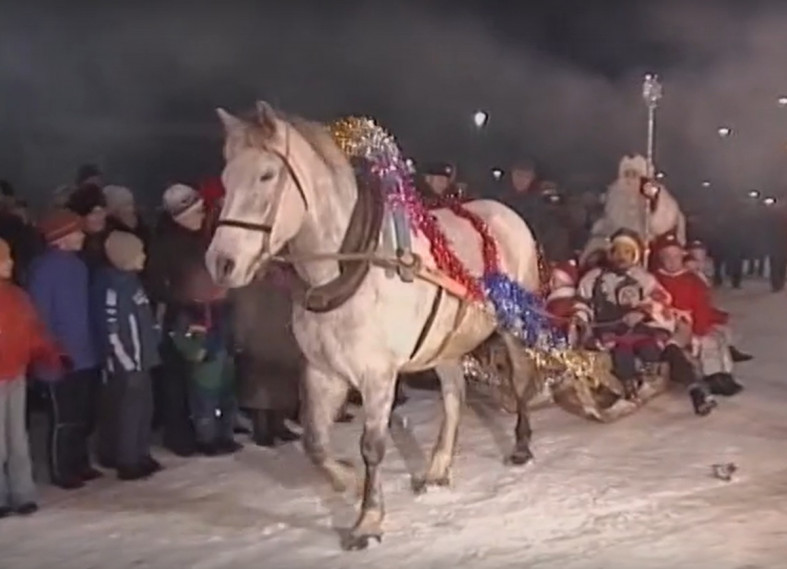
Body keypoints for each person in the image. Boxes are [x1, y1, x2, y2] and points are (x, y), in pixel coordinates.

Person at [573, 228, 715, 415]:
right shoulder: (593, 278)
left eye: (627, 252)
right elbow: (582, 303)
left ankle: (658, 378)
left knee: (652, 345)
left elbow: (660, 298)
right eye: (618, 251)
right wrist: (581, 319)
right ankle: (628, 385)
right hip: (609, 329)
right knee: (620, 349)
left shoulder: (643, 277)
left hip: (640, 327)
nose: (622, 256)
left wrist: (643, 311)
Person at [27, 209, 103, 489]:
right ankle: (62, 468)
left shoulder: (79, 266)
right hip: (60, 359)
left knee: (83, 414)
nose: (82, 236)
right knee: (64, 418)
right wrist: (50, 353)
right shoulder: (45, 270)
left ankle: (79, 462)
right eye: (77, 231)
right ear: (61, 238)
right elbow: (39, 317)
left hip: (85, 354)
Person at [0, 238, 63, 517]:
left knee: (18, 437)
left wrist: (51, 354)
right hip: (7, 373)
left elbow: (33, 331)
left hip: (16, 374)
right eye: (4, 260)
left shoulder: (17, 296)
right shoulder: (15, 297)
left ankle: (22, 492)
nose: (11, 263)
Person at [146, 184, 209, 456]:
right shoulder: (165, 245)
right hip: (178, 319)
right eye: (197, 212)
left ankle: (198, 427)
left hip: (202, 312)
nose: (202, 216)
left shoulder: (200, 239)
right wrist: (185, 297)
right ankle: (177, 433)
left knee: (197, 376)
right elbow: (155, 285)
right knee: (176, 379)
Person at [93, 232, 162, 479]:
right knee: (127, 412)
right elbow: (111, 330)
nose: (144, 257)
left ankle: (140, 453)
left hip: (143, 358)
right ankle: (126, 459)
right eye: (139, 253)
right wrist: (125, 361)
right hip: (127, 363)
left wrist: (154, 340)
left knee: (144, 408)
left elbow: (144, 318)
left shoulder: (133, 282)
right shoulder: (113, 288)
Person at [653, 234, 744, 397]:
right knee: (708, 341)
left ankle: (724, 374)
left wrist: (702, 326)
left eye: (675, 256)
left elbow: (702, 306)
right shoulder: (656, 279)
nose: (672, 261)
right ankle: (712, 378)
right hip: (669, 324)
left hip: (692, 322)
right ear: (662, 259)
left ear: (682, 256)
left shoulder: (692, 279)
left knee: (717, 337)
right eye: (667, 257)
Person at [170, 265, 241, 456]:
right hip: (205, 365)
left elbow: (233, 330)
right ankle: (206, 439)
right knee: (205, 404)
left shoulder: (225, 309)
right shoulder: (189, 312)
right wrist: (196, 352)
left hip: (225, 360)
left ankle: (225, 436)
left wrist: (235, 347)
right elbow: (180, 338)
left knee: (227, 401)